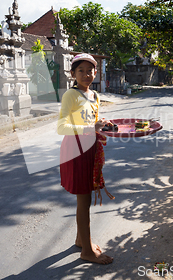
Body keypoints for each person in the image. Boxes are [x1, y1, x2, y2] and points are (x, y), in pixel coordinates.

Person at [57, 53, 114, 264]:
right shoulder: (70, 96)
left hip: (90, 149)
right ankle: (87, 251)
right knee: (84, 199)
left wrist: (102, 123)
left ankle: (81, 240)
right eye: (81, 70)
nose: (86, 74)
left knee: (86, 197)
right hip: (75, 150)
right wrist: (92, 127)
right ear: (72, 74)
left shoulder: (95, 95)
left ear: (96, 73)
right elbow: (61, 126)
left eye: (90, 70)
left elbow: (94, 120)